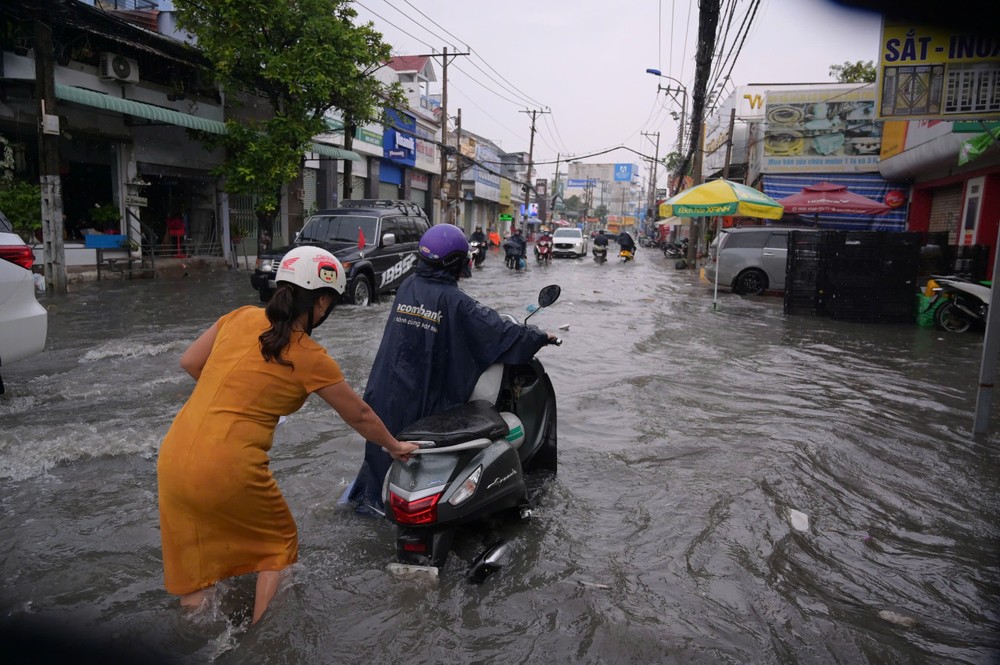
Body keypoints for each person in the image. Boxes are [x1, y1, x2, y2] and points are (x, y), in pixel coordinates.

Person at [157, 246, 418, 625]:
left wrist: (239, 396)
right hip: (229, 466)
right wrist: (394, 446)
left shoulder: (239, 316)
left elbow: (190, 362)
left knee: (197, 567)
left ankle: (196, 636)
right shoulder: (309, 355)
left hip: (173, 456)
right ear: (322, 301)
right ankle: (263, 641)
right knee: (277, 548)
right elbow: (359, 415)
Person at [345, 224, 557, 514]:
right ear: (456, 262)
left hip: (386, 395)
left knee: (379, 473)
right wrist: (540, 336)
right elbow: (498, 332)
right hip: (424, 402)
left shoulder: (407, 286)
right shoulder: (456, 302)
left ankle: (371, 505)